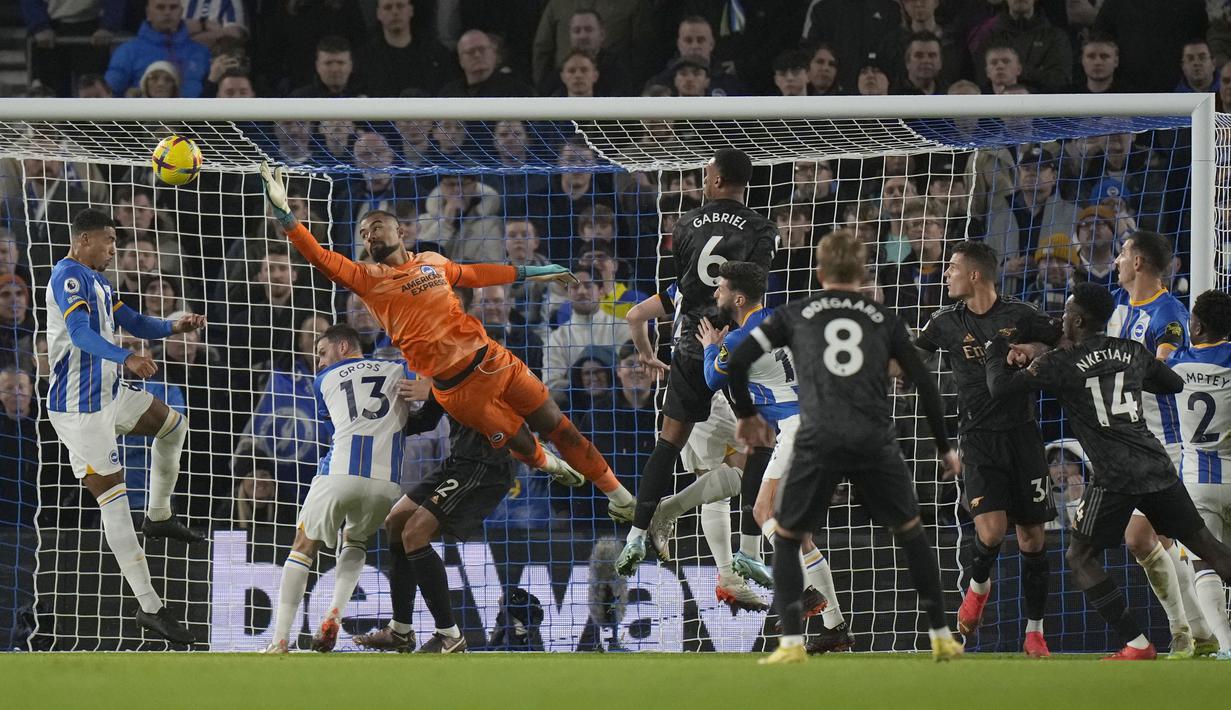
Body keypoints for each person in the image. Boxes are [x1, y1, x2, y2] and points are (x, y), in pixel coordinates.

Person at [258, 164, 636, 521]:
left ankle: (621, 499)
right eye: (364, 233)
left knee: (561, 427)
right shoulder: (368, 279)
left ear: (400, 231)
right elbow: (320, 257)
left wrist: (533, 271)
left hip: (494, 360)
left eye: (376, 228)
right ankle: (548, 463)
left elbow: (474, 273)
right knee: (522, 443)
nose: (369, 236)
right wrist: (288, 218)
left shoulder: (433, 261)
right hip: (460, 391)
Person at [726, 228, 962, 664]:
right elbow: (925, 381)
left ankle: (793, 644)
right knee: (910, 532)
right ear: (862, 271)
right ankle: (942, 635)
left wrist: (745, 417)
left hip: (819, 437)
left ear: (818, 271)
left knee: (788, 533)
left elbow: (738, 360)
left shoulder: (796, 313)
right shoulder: (882, 317)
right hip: (874, 438)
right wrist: (945, 447)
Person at [985, 282, 1231, 660]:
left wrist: (995, 350)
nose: (1061, 318)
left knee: (1080, 558)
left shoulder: (1061, 365)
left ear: (1078, 320)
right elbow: (1173, 383)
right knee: (1210, 549)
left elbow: (1001, 390)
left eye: (1066, 313)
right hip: (1157, 466)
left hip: (1115, 475)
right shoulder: (1131, 351)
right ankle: (1186, 633)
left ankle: (1137, 643)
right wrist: (1134, 375)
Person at [657, 260, 853, 650]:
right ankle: (835, 628)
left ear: (739, 297)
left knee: (763, 512)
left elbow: (713, 378)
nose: (716, 293)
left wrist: (712, 347)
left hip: (799, 431)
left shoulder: (739, 341)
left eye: (722, 288)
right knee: (801, 537)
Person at [44, 208, 206, 644]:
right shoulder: (69, 277)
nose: (115, 249)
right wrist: (127, 358)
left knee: (173, 425)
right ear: (83, 241)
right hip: (80, 411)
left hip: (109, 395)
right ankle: (151, 608)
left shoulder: (97, 280)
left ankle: (159, 516)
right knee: (115, 503)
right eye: (109, 240)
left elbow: (133, 321)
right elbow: (79, 333)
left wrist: (175, 324)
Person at [613, 148, 778, 574]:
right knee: (761, 446)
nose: (703, 180)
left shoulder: (684, 223)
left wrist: (662, 346)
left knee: (668, 443)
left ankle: (635, 535)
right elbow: (752, 289)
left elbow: (681, 289)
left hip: (690, 345)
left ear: (719, 180)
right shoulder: (762, 229)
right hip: (736, 346)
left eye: (707, 174)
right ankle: (749, 551)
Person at [914, 240, 1060, 657]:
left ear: (974, 275)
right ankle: (977, 589)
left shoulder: (1022, 315)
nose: (946, 275)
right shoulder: (944, 321)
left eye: (952, 269)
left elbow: (1059, 341)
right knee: (992, 532)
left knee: (1033, 539)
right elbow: (909, 356)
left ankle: (1035, 631)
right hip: (978, 438)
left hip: (1023, 435)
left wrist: (1032, 349)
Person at [264, 325, 408, 654]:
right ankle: (335, 612)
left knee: (303, 546)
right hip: (387, 484)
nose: (318, 362)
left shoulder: (324, 380)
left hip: (341, 473)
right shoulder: (399, 370)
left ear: (343, 346)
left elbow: (333, 429)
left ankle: (279, 641)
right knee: (355, 540)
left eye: (322, 353)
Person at [355, 378, 523, 653]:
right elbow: (426, 421)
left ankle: (450, 634)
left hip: (486, 463)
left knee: (415, 532)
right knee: (396, 522)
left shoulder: (484, 366)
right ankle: (400, 630)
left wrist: (435, 391)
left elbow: (482, 395)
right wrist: (380, 424)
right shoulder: (443, 370)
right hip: (458, 462)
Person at [1107, 229, 1215, 657]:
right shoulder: (1119, 311)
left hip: (1167, 445)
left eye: (1122, 253)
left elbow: (1165, 363)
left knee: (1143, 538)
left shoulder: (1168, 312)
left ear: (1138, 263)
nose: (1116, 260)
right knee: (1156, 542)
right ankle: (1199, 633)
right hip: (1130, 443)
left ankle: (1187, 633)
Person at [1169, 289, 1231, 659]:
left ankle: (1227, 645)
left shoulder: (1176, 363)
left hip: (1196, 481)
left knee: (1203, 564)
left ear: (1198, 324)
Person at [103, 0, 210, 98]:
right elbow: (108, 93)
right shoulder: (127, 51)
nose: (167, 12)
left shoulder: (201, 52)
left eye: (173, 7)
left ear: (181, 12)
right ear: (148, 13)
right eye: (160, 7)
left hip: (194, 117)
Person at [354, 0, 452, 97]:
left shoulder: (436, 54)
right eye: (387, 7)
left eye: (400, 6)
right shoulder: (364, 58)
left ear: (411, 10)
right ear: (378, 14)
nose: (395, 12)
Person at [289, 35, 364, 98]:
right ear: (317, 66)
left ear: (351, 66)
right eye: (328, 63)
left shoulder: (369, 97)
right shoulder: (300, 99)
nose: (335, 69)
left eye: (341, 63)